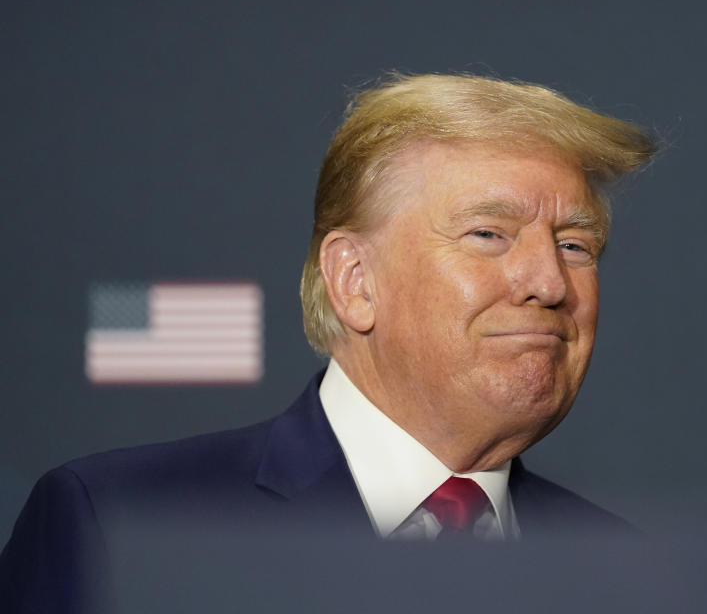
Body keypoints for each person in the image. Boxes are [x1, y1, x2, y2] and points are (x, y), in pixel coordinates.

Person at [0, 73, 655, 611]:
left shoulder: (623, 574)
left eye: (576, 245)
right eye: (489, 234)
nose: (549, 281)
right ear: (355, 282)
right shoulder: (121, 527)